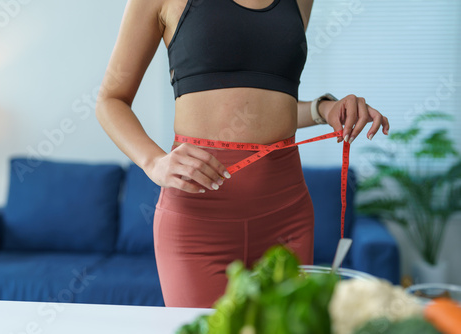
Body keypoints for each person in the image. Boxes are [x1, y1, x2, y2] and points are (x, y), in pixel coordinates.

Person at [96, 0, 390, 308]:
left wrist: (324, 109)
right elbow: (110, 100)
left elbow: (269, 105)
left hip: (287, 217)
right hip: (199, 223)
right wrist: (153, 162)